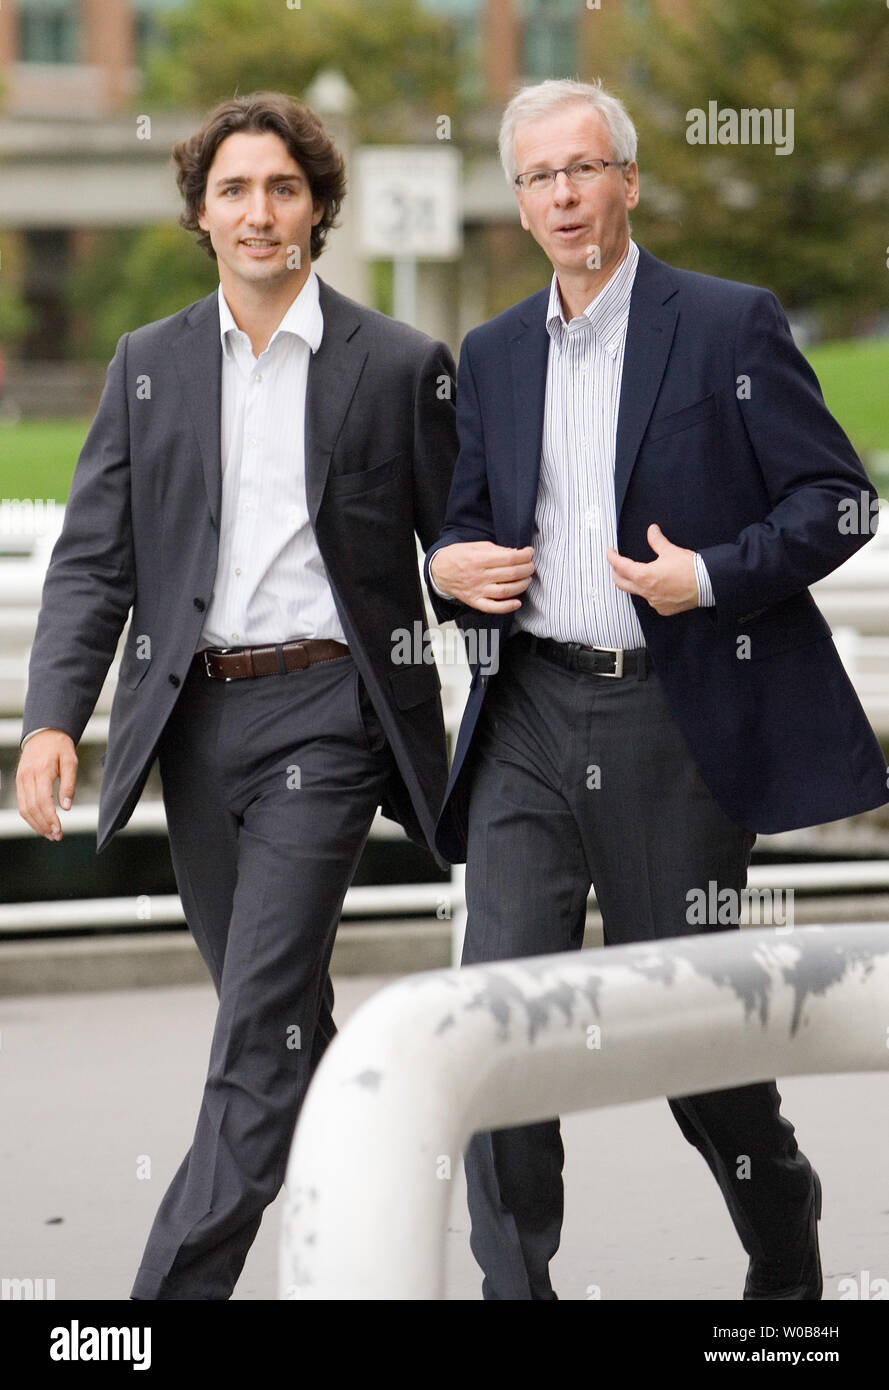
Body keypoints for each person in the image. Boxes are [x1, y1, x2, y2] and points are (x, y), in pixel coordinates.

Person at [426, 77, 888, 1301]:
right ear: (518, 204)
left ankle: (780, 1233)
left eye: (583, 170)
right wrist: (445, 562)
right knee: (499, 1017)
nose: (564, 195)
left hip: (674, 716)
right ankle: (514, 1290)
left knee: (687, 1028)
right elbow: (467, 528)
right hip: (527, 709)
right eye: (538, 178)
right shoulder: (493, 353)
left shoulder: (728, 324)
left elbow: (840, 502)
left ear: (627, 181)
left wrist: (709, 578)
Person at [16, 91, 457, 1300]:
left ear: (316, 208)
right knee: (278, 1014)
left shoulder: (402, 365)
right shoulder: (147, 365)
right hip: (194, 728)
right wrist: (53, 718)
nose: (259, 213)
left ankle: (159, 1306)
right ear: (200, 216)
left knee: (256, 1019)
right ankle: (373, 1228)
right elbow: (96, 557)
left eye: (282, 189)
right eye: (233, 192)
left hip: (331, 716)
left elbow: (463, 549)